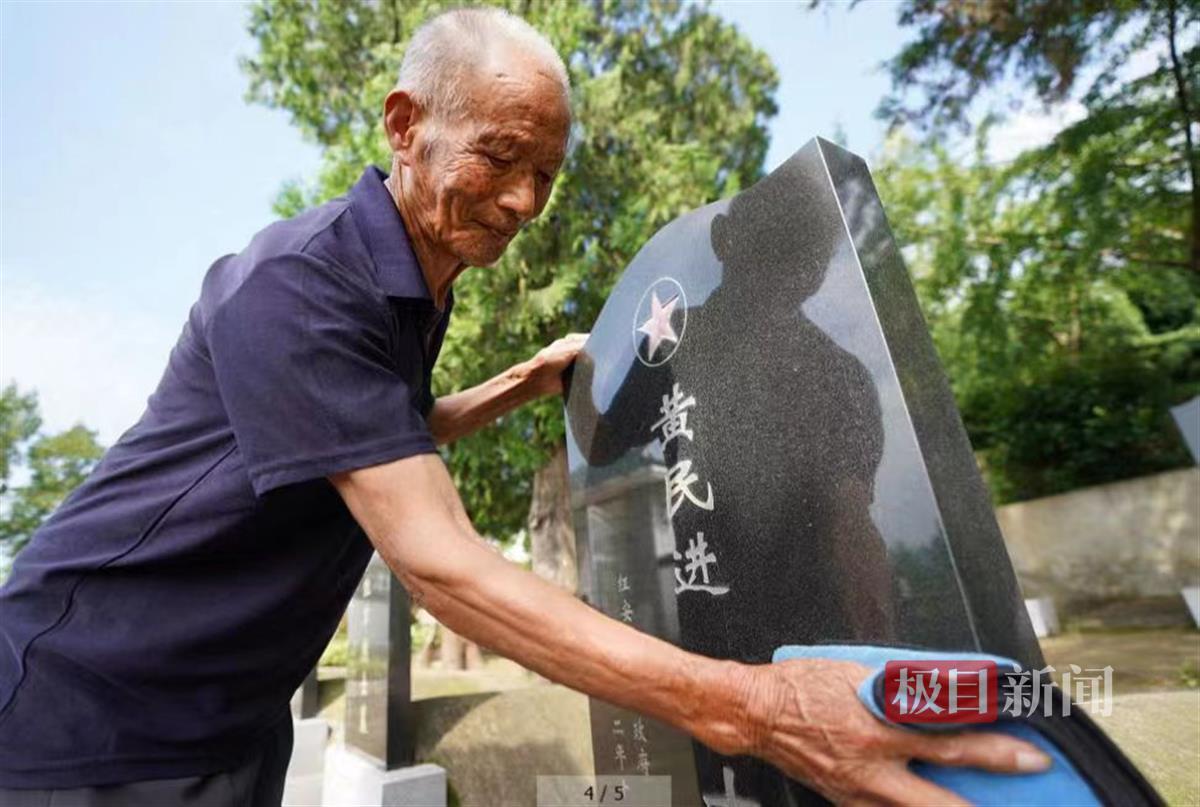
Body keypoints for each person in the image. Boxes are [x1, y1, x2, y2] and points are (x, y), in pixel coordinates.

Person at [0, 8, 1050, 806]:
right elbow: (442, 565)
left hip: (230, 726)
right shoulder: (302, 283)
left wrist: (513, 383)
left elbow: (373, 438)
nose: (521, 203)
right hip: (88, 711)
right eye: (499, 157)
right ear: (404, 125)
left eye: (545, 173)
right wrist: (761, 710)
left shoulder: (417, 289)